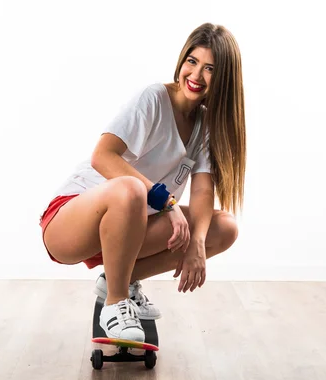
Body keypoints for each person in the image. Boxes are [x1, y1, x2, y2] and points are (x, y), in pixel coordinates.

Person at [39, 22, 246, 343]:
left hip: (129, 230)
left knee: (224, 227)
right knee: (131, 188)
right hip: (71, 222)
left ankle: (118, 280)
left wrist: (198, 244)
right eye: (192, 62)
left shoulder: (205, 123)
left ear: (224, 79)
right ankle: (115, 303)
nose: (196, 75)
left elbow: (204, 190)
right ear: (181, 61)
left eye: (210, 69)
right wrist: (168, 203)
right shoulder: (154, 98)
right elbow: (103, 157)